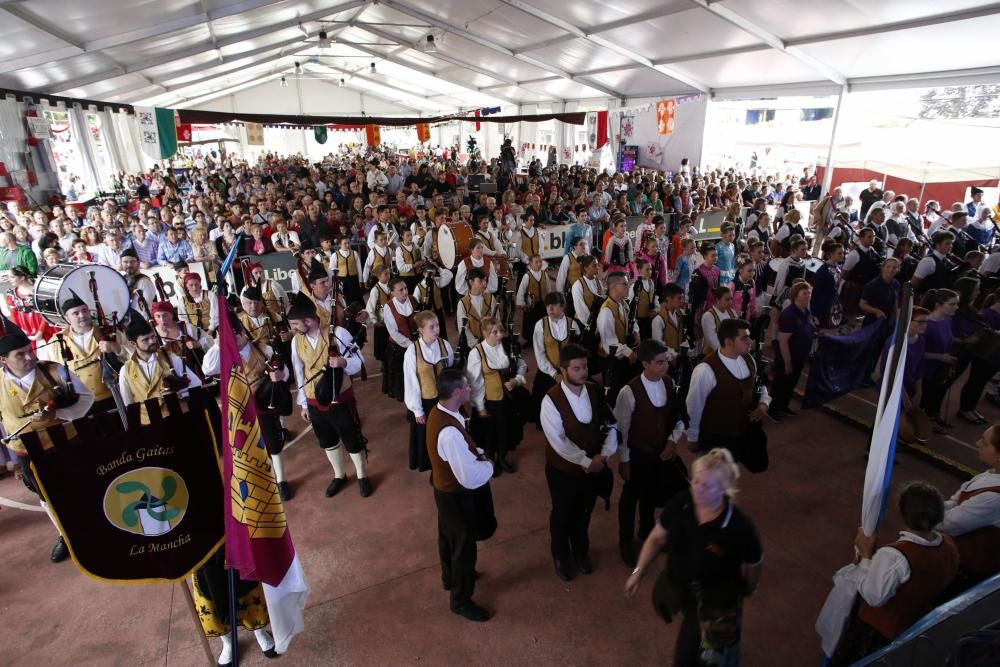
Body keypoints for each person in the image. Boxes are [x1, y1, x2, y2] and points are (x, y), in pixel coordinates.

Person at [624, 449, 762, 667]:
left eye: (706, 485)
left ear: (724, 489)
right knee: (689, 646)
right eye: (695, 480)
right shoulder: (682, 503)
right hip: (685, 592)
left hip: (717, 603)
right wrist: (637, 572)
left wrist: (749, 588)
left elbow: (754, 564)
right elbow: (657, 538)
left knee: (705, 658)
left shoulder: (738, 527)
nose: (697, 489)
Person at [831, 483, 959, 665]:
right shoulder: (948, 545)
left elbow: (874, 596)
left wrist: (866, 556)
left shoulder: (895, 555)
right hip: (913, 623)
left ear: (902, 511)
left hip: (880, 631)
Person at [0, 316, 94, 563]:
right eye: (20, 355)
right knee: (46, 496)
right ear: (3, 360)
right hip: (26, 450)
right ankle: (66, 535)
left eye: (29, 351)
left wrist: (59, 412)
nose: (29, 358)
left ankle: (94, 528)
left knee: (80, 486)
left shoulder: (54, 370)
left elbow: (86, 397)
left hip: (64, 441)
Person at [539, 343, 617, 582]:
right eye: (576, 368)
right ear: (563, 371)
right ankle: (561, 555)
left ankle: (580, 551)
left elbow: (610, 424)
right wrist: (586, 461)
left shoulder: (594, 391)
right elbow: (558, 442)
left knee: (584, 512)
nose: (583, 372)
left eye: (584, 367)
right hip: (563, 470)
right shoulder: (551, 400)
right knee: (562, 513)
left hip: (592, 465)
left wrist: (604, 454)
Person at [426, 369, 496, 623]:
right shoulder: (450, 432)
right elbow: (468, 476)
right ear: (456, 392)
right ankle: (460, 600)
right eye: (466, 386)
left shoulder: (441, 412)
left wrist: (474, 450)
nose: (470, 389)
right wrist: (488, 465)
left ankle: (450, 578)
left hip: (443, 490)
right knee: (464, 547)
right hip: (455, 495)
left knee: (447, 537)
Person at [287, 292, 372, 498]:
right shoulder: (296, 342)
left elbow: (359, 360)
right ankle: (339, 475)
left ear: (308, 320)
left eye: (296, 324)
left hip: (340, 397)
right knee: (327, 440)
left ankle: (362, 475)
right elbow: (299, 372)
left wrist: (343, 363)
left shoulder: (339, 333)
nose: (293, 329)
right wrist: (304, 404)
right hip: (314, 401)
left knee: (351, 438)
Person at [615, 339, 688, 567]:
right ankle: (625, 541)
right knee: (631, 497)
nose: (665, 366)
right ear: (645, 364)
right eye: (659, 362)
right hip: (638, 454)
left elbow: (678, 416)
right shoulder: (629, 391)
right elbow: (622, 428)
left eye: (666, 361)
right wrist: (624, 459)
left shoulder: (668, 384)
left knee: (651, 493)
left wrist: (672, 440)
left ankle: (646, 530)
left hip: (661, 453)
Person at [686, 318, 770, 466]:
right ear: (729, 341)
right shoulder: (706, 370)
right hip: (715, 438)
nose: (750, 341)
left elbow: (759, 385)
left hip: (741, 434)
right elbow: (694, 406)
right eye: (744, 338)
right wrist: (693, 437)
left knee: (731, 474)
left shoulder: (749, 359)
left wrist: (764, 403)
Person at [939, 424, 1000, 582]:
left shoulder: (994, 498)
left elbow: (950, 524)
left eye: (985, 442)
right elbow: (956, 500)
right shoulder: (992, 474)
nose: (977, 443)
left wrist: (917, 515)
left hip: (967, 567)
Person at [466, 317, 527, 475]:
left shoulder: (507, 346)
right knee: (488, 432)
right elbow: (475, 382)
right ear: (485, 333)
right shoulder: (477, 352)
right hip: (488, 401)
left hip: (507, 399)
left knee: (504, 429)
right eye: (495, 332)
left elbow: (521, 364)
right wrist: (479, 406)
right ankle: (490, 459)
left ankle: (502, 457)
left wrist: (517, 380)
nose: (499, 335)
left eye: (501, 331)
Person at [119, 312, 202, 425]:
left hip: (176, 418)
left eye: (153, 337)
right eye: (145, 340)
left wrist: (179, 394)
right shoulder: (125, 370)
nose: (152, 341)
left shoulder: (170, 359)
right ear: (133, 344)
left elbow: (197, 383)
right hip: (147, 425)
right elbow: (129, 405)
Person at [51, 292, 125, 415]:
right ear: (67, 318)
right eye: (76, 313)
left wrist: (116, 348)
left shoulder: (108, 331)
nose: (82, 315)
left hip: (111, 395)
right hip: (80, 403)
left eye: (85, 310)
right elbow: (53, 373)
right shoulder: (57, 340)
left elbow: (132, 357)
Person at [403, 310, 454, 472]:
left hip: (444, 399)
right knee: (429, 437)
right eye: (431, 327)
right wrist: (417, 410)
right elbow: (411, 382)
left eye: (437, 325)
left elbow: (451, 369)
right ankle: (432, 465)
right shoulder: (412, 351)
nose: (436, 330)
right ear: (421, 329)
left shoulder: (444, 345)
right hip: (426, 401)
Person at [769, 282, 816, 420]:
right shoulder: (790, 314)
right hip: (788, 357)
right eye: (804, 293)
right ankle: (773, 409)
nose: (808, 295)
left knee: (791, 384)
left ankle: (783, 406)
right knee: (781, 383)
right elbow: (783, 341)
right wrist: (787, 362)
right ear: (795, 296)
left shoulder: (805, 310)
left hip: (800, 356)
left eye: (809, 292)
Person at [920, 288, 959, 432]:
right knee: (928, 395)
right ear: (938, 305)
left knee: (938, 393)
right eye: (952, 304)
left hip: (942, 365)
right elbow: (919, 352)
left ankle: (933, 415)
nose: (956, 307)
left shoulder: (948, 320)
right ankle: (926, 419)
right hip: (929, 368)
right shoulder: (927, 325)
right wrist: (941, 357)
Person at [597, 272, 639, 401]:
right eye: (625, 284)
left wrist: (636, 331)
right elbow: (609, 343)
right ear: (614, 287)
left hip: (622, 356)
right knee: (614, 395)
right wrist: (628, 352)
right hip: (612, 361)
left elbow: (632, 319)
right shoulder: (606, 311)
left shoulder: (622, 303)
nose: (628, 287)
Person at [382, 277, 417, 402]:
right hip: (400, 347)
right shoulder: (389, 307)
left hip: (416, 342)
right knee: (402, 375)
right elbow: (393, 333)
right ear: (392, 293)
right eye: (400, 290)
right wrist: (410, 345)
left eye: (406, 288)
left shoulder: (413, 300)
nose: (405, 292)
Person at [514, 253, 551, 345]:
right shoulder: (527, 276)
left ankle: (542, 339)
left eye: (540, 262)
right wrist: (522, 303)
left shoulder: (544, 274)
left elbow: (548, 288)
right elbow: (521, 291)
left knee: (542, 322)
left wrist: (550, 301)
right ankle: (530, 340)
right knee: (531, 323)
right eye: (536, 262)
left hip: (542, 304)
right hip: (531, 305)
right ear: (530, 263)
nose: (539, 264)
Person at [700, 286, 736, 356]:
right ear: (717, 300)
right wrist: (727, 353)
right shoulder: (708, 316)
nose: (730, 302)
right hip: (712, 356)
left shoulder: (733, 312)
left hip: (730, 353)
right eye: (727, 299)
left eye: (731, 299)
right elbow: (712, 340)